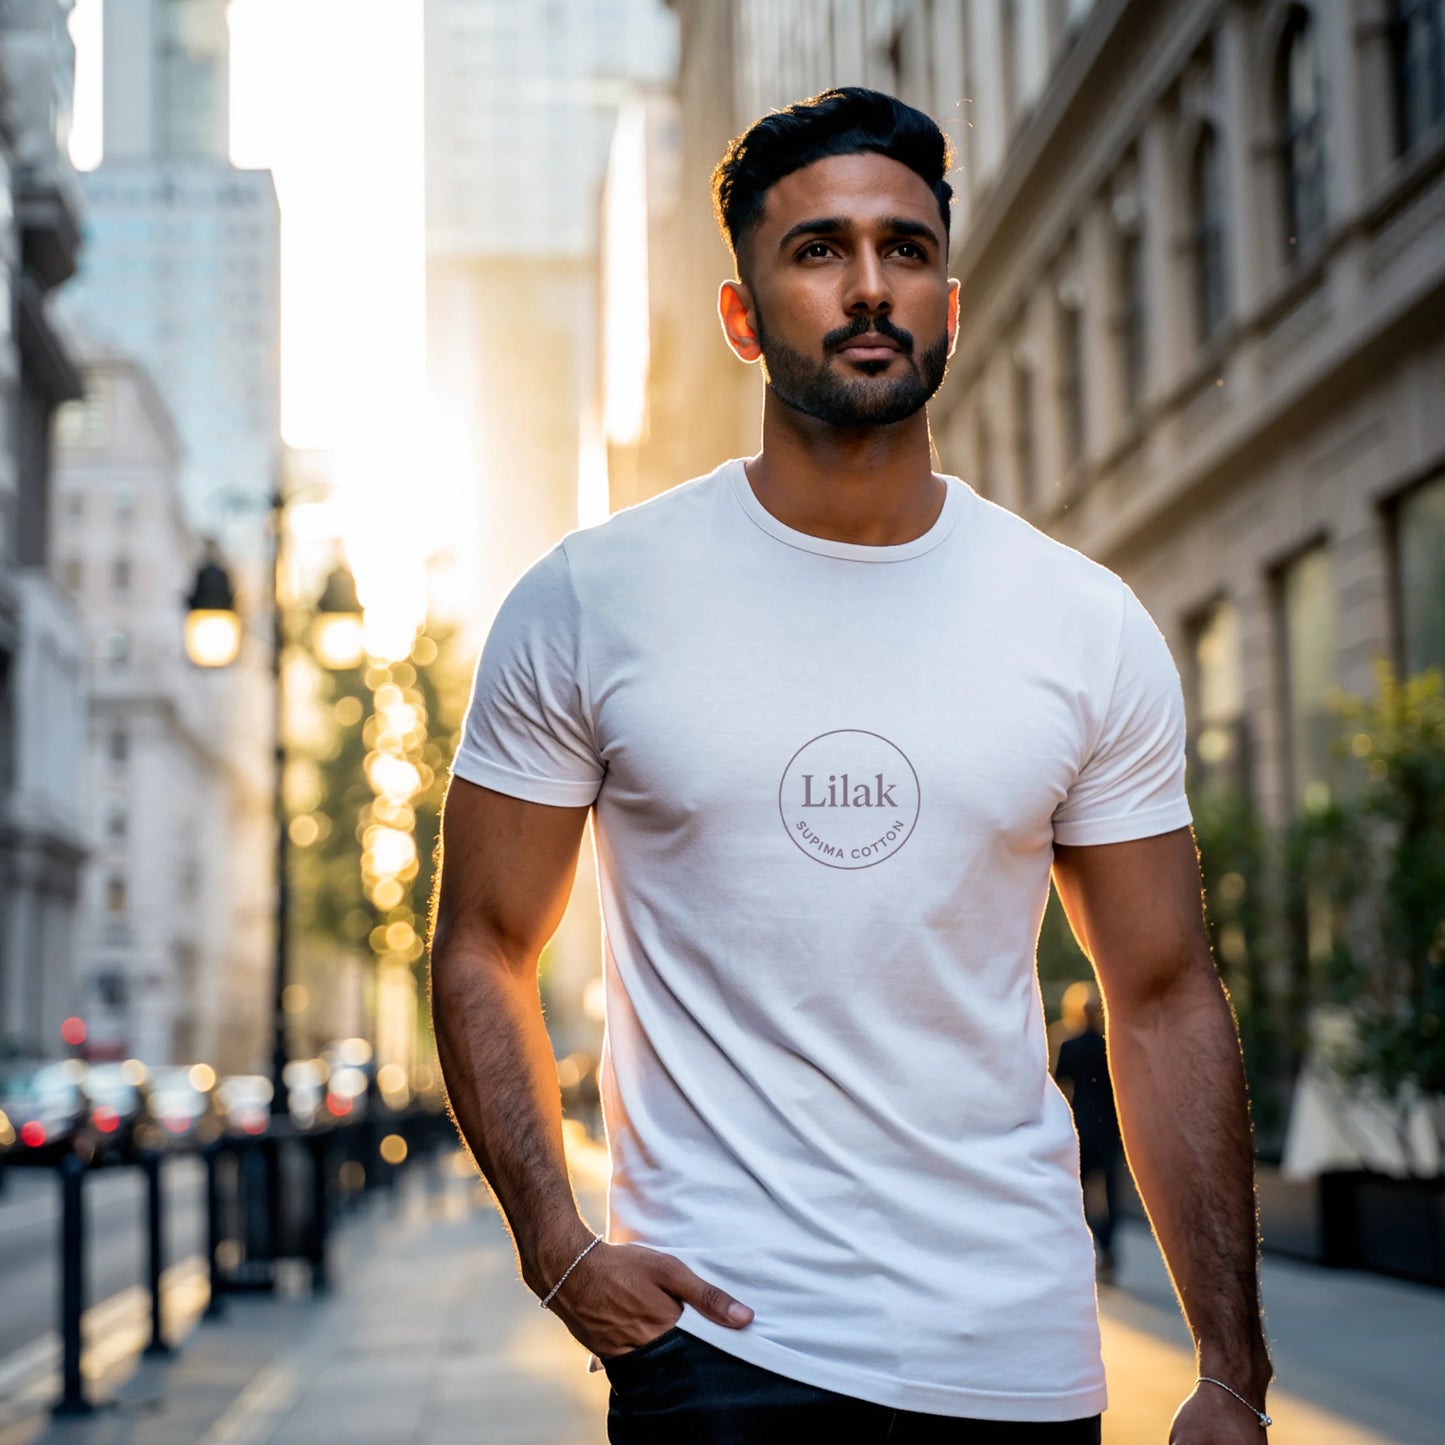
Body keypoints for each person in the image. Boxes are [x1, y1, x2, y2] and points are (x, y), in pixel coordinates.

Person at [430, 87, 1272, 1443]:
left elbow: (1164, 993)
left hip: (1017, 1352)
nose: (869, 286)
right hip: (716, 1351)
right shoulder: (590, 599)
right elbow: (481, 943)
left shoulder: (1079, 619)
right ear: (742, 315)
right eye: (817, 251)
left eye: (906, 249)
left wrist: (1229, 1365)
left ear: (951, 296)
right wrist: (557, 1247)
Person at [1054, 984, 1123, 1282]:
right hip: (1109, 1131)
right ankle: (1107, 1249)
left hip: (1080, 1130)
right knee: (1111, 1196)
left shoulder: (1069, 1046)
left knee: (1076, 1195)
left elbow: (1057, 1090)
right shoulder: (1112, 1047)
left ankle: (1091, 1246)